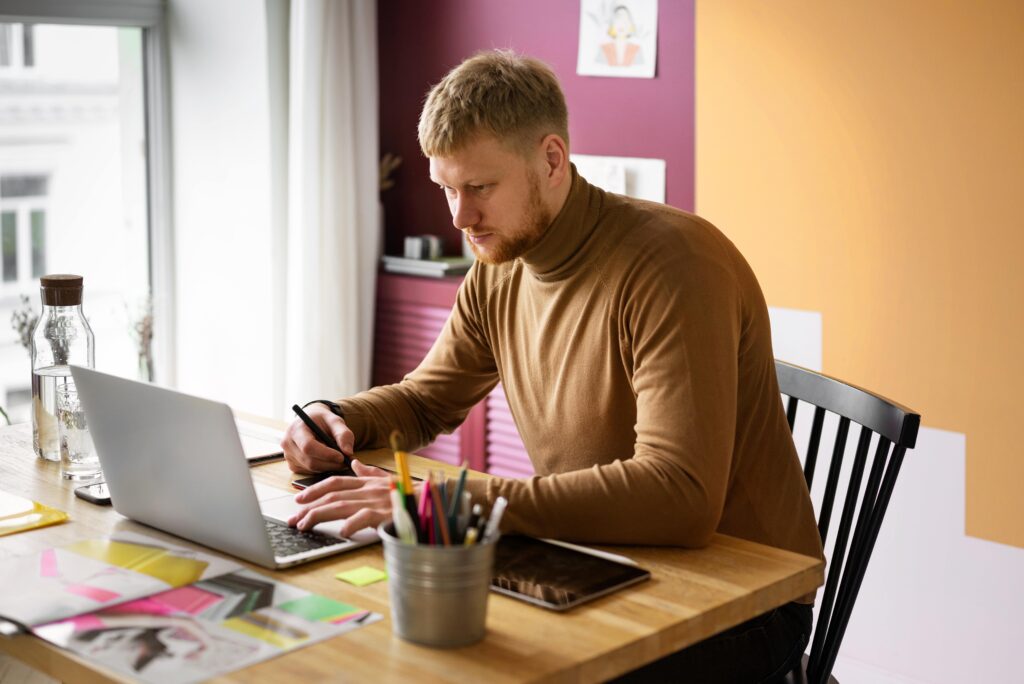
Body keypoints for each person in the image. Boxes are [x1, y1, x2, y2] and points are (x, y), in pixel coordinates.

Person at [281, 50, 823, 682]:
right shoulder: (501, 265)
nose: (459, 217)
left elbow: (680, 496)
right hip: (596, 556)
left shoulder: (674, 266)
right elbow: (427, 400)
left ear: (552, 160)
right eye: (447, 189)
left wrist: (443, 502)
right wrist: (336, 419)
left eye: (480, 188)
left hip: (742, 601)